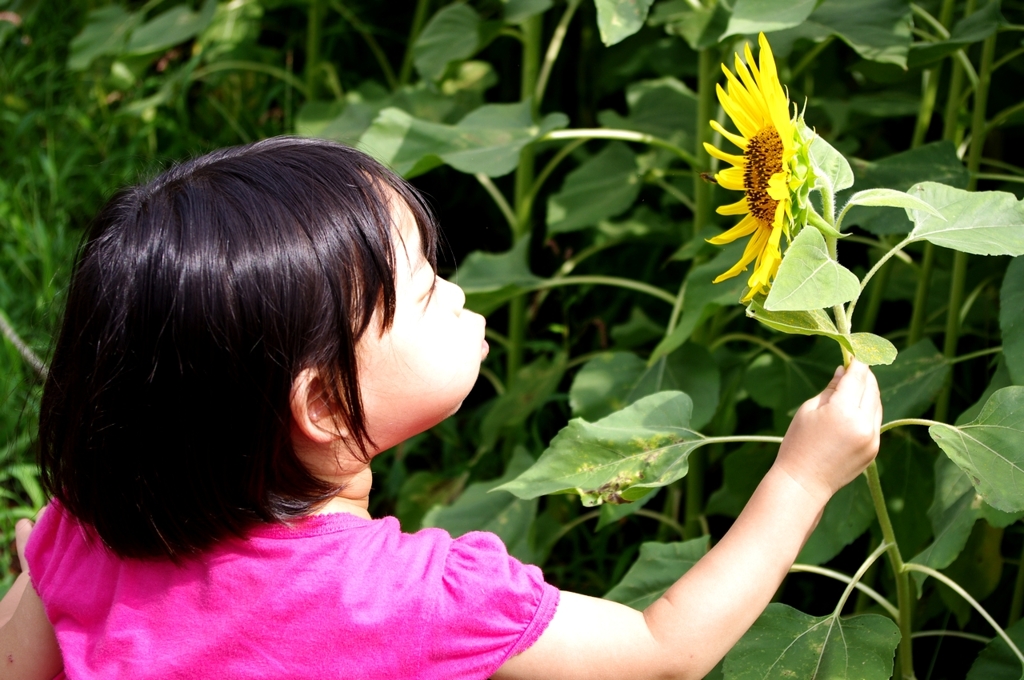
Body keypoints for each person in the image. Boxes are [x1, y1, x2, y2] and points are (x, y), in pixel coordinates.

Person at [0, 137, 882, 680]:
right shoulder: (416, 603)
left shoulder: (83, 536)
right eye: (424, 287)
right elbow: (661, 651)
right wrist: (804, 477)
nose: (457, 294)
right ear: (325, 409)